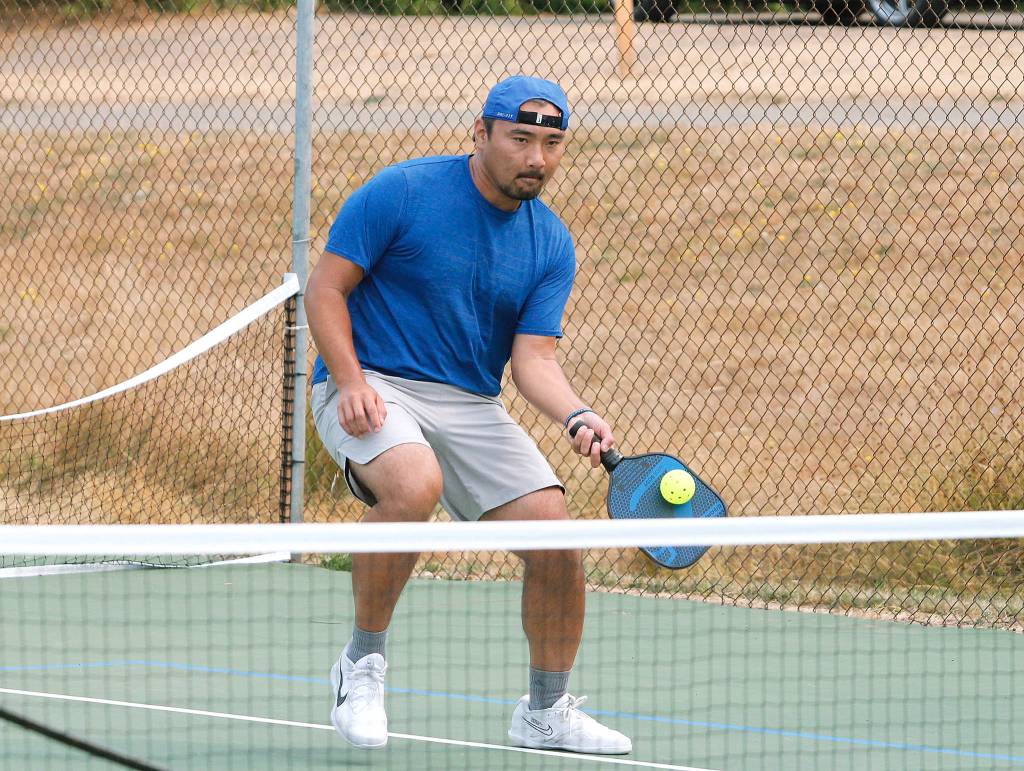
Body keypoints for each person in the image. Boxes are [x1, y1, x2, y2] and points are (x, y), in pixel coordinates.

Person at [306, 75, 631, 756]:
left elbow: (533, 359)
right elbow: (325, 290)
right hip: (373, 381)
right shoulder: (404, 191)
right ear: (480, 134)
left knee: (558, 542)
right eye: (521, 139)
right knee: (412, 481)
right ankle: (361, 666)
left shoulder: (550, 244)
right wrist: (350, 379)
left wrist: (577, 414)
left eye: (551, 143)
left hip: (470, 401)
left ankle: (545, 710)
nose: (536, 158)